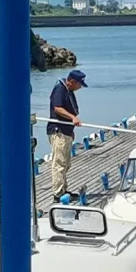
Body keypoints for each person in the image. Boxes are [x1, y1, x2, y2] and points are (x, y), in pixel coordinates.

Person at [46, 69, 88, 201]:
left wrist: (71, 130)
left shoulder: (68, 90)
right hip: (58, 131)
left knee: (66, 163)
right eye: (79, 84)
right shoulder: (60, 88)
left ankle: (63, 189)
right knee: (59, 163)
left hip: (67, 131)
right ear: (72, 82)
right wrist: (72, 118)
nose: (80, 87)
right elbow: (57, 108)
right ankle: (58, 194)